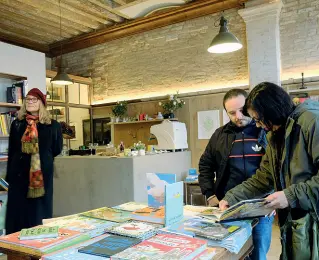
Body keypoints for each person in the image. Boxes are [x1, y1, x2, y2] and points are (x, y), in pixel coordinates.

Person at [219, 82, 319, 259]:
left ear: (272, 110)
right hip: (297, 224)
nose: (257, 125)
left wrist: (290, 195)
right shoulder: (274, 133)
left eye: (259, 119)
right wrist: (232, 197)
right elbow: (263, 178)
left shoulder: (311, 122)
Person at [198, 88, 273, 260]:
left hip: (261, 208)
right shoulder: (219, 135)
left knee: (258, 254)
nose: (238, 116)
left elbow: (278, 168)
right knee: (229, 254)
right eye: (232, 113)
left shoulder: (265, 131)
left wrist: (276, 197)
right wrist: (210, 195)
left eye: (242, 110)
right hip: (227, 207)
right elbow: (205, 165)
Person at [5, 88, 63, 234]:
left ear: (41, 103)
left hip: (39, 178)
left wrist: (41, 159)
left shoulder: (53, 125)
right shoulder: (17, 124)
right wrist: (10, 176)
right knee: (18, 216)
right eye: (28, 99)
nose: (30, 102)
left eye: (34, 99)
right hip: (19, 176)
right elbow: (12, 151)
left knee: (38, 215)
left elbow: (56, 149)